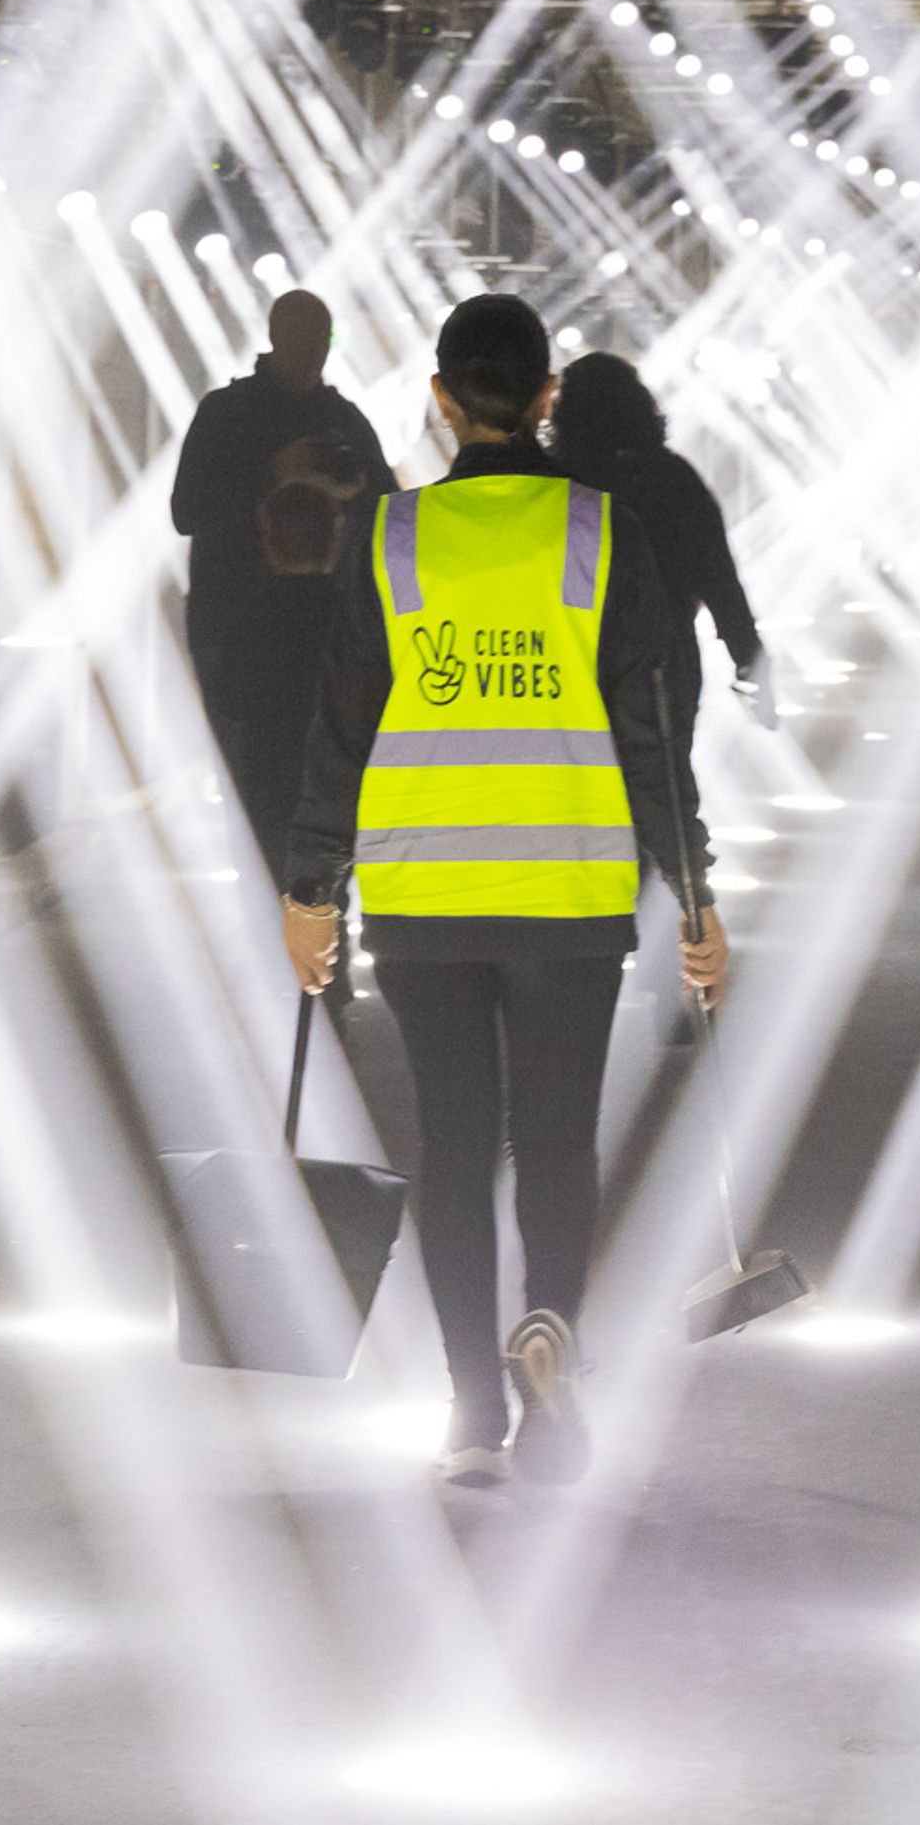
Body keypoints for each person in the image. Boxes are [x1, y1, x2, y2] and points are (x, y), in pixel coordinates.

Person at [282, 294, 726, 1490]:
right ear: (543, 399)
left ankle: (474, 1410)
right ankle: (554, 1344)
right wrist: (694, 894)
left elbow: (342, 723)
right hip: (569, 890)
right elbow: (652, 731)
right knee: (556, 1141)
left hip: (427, 893)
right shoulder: (604, 532)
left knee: (455, 1141)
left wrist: (312, 886)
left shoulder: (389, 538)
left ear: (439, 399)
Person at [170, 289, 385, 885]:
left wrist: (349, 488)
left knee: (317, 783)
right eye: (302, 338)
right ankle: (286, 915)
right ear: (274, 336)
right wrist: (274, 472)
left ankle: (312, 914)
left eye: (320, 340)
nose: (311, 351)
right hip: (240, 629)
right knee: (257, 787)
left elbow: (387, 508)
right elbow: (187, 511)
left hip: (319, 628)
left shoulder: (342, 421)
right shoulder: (227, 413)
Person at [546, 352, 770, 803]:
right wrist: (751, 663)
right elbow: (719, 580)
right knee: (665, 789)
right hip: (663, 663)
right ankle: (674, 869)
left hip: (569, 661)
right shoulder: (672, 477)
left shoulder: (550, 482)